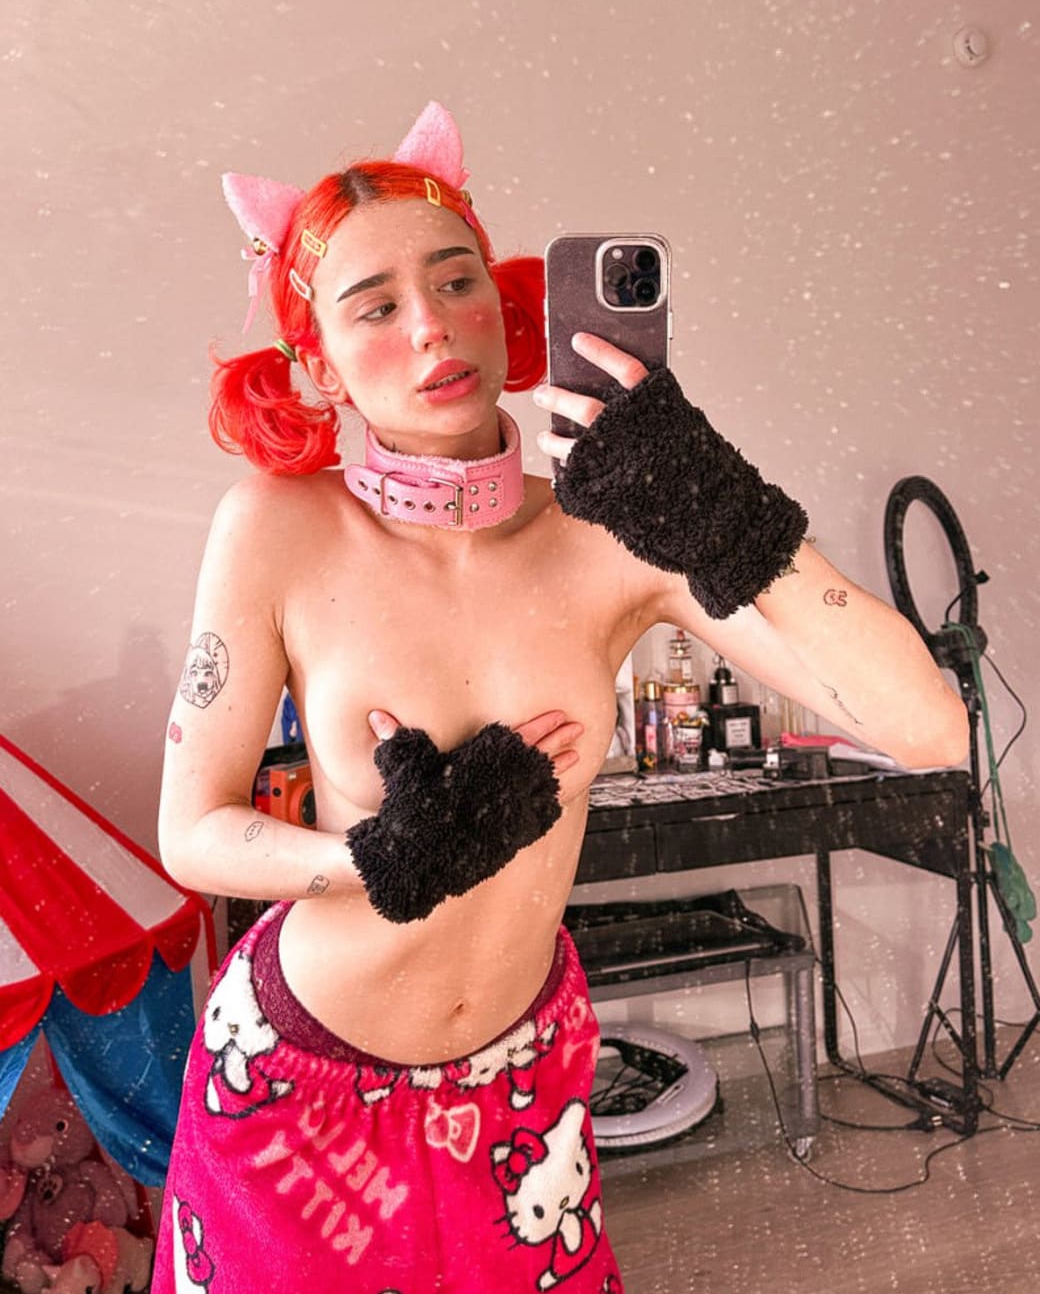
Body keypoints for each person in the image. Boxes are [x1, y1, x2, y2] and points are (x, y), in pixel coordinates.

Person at [152, 102, 967, 1293]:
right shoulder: (276, 529)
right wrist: (378, 859)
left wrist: (729, 513)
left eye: (456, 280)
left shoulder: (609, 534)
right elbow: (191, 831)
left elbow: (928, 729)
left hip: (521, 1084)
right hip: (295, 1081)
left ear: (504, 302)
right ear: (316, 366)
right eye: (374, 306)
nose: (432, 325)